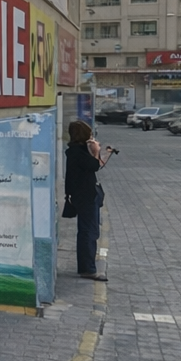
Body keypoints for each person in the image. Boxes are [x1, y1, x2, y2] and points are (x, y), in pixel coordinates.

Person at [65, 119, 113, 281]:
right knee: (88, 232)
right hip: (85, 196)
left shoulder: (76, 151)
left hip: (85, 195)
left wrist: (98, 153)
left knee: (91, 231)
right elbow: (94, 165)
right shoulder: (77, 153)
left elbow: (94, 165)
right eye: (90, 135)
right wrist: (96, 151)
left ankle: (88, 266)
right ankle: (87, 269)